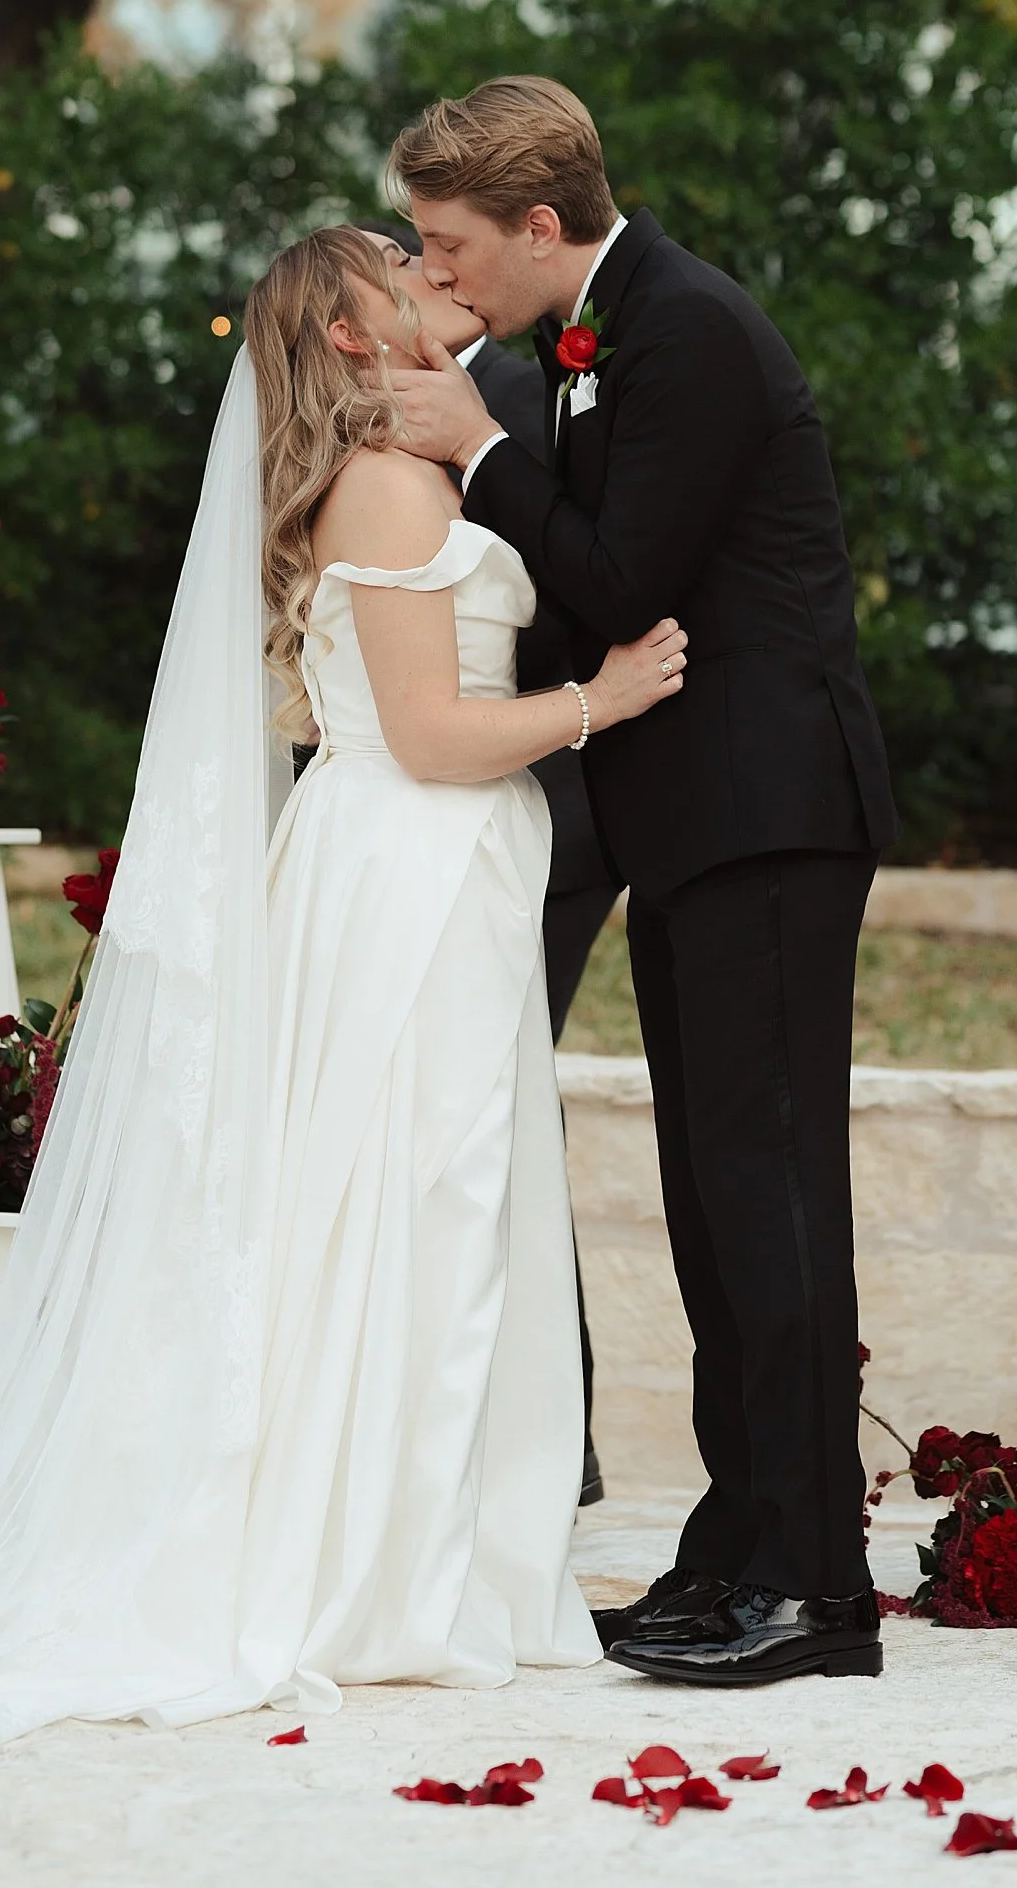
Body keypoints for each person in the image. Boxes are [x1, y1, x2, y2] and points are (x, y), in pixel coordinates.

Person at [0, 228, 688, 1782]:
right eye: (399, 255)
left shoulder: (412, 455)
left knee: (420, 1199)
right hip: (409, 860)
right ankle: (376, 1571)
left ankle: (412, 1541)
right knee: (416, 1202)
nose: (424, 257)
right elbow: (432, 733)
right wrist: (606, 698)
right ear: (344, 318)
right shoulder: (387, 483)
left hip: (425, 867)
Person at [387, 76, 899, 1690]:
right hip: (695, 821)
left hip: (766, 814)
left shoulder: (685, 331)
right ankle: (741, 1543)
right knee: (713, 1202)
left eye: (448, 242)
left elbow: (617, 584)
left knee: (771, 1202)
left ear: (542, 227)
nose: (437, 269)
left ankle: (820, 1591)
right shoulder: (599, 338)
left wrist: (475, 450)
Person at [356, 222, 615, 1505]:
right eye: (413, 260)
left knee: (485, 1126)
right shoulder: (384, 443)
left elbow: (589, 579)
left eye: (440, 249)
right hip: (446, 799)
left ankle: (521, 1449)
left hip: (535, 811)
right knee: (459, 1132)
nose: (441, 275)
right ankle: (506, 1458)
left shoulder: (519, 397)